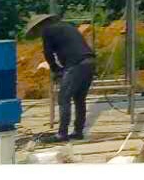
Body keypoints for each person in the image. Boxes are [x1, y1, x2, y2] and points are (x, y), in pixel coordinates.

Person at [23, 14, 96, 142]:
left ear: (40, 26)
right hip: (89, 61)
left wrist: (56, 70)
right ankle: (78, 131)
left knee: (63, 98)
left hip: (76, 64)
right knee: (79, 99)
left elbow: (48, 54)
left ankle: (62, 133)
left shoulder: (47, 31)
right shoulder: (67, 26)